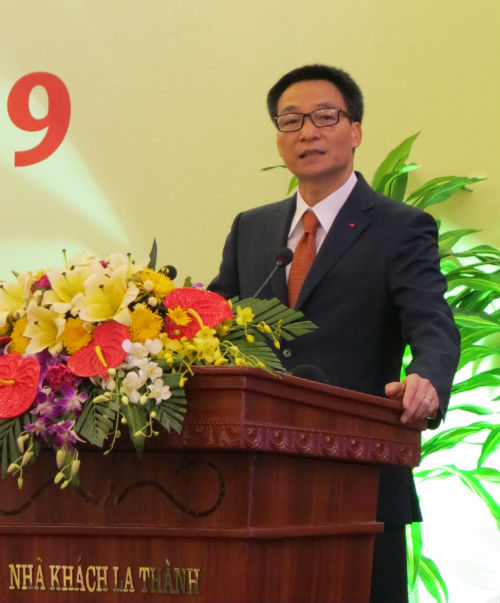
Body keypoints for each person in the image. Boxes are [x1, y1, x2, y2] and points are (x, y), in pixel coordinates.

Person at [208, 64, 460, 603]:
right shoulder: (252, 227)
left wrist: (428, 379)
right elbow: (211, 319)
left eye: (325, 116)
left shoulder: (399, 227)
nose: (308, 131)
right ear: (279, 139)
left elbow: (432, 321)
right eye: (291, 120)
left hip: (359, 480)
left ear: (356, 131)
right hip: (253, 481)